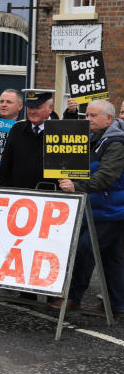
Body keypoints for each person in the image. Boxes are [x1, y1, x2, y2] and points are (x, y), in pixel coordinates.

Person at [52, 100, 124, 315]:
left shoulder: (116, 144)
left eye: (93, 116)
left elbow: (106, 176)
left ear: (108, 119)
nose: (88, 119)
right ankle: (118, 304)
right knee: (112, 258)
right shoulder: (94, 139)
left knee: (84, 249)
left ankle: (73, 297)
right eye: (86, 115)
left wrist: (77, 186)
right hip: (96, 209)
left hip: (111, 212)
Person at [0, 89, 54, 190]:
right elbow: (6, 167)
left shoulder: (61, 131)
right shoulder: (17, 129)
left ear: (50, 108)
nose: (32, 111)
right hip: (18, 196)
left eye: (37, 107)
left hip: (49, 198)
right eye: (30, 107)